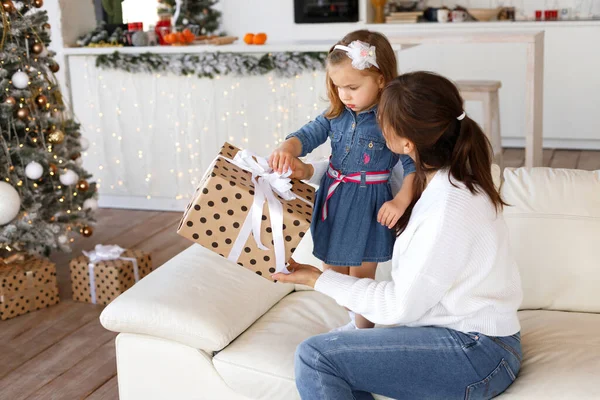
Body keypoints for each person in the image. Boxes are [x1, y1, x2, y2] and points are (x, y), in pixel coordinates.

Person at [272, 71, 523, 400]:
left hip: (476, 352)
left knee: (316, 356)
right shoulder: (434, 176)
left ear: (406, 144)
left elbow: (397, 306)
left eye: (381, 119)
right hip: (466, 341)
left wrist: (316, 280)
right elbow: (353, 175)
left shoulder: (448, 207)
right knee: (341, 363)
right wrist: (303, 170)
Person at [269, 30, 416, 332]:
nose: (345, 95)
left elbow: (413, 165)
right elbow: (307, 135)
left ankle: (363, 334)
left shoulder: (390, 120)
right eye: (338, 87)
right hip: (334, 201)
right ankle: (354, 320)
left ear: (381, 80)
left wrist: (400, 200)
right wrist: (288, 148)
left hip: (370, 204)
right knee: (331, 276)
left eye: (352, 87)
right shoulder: (336, 114)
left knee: (362, 281)